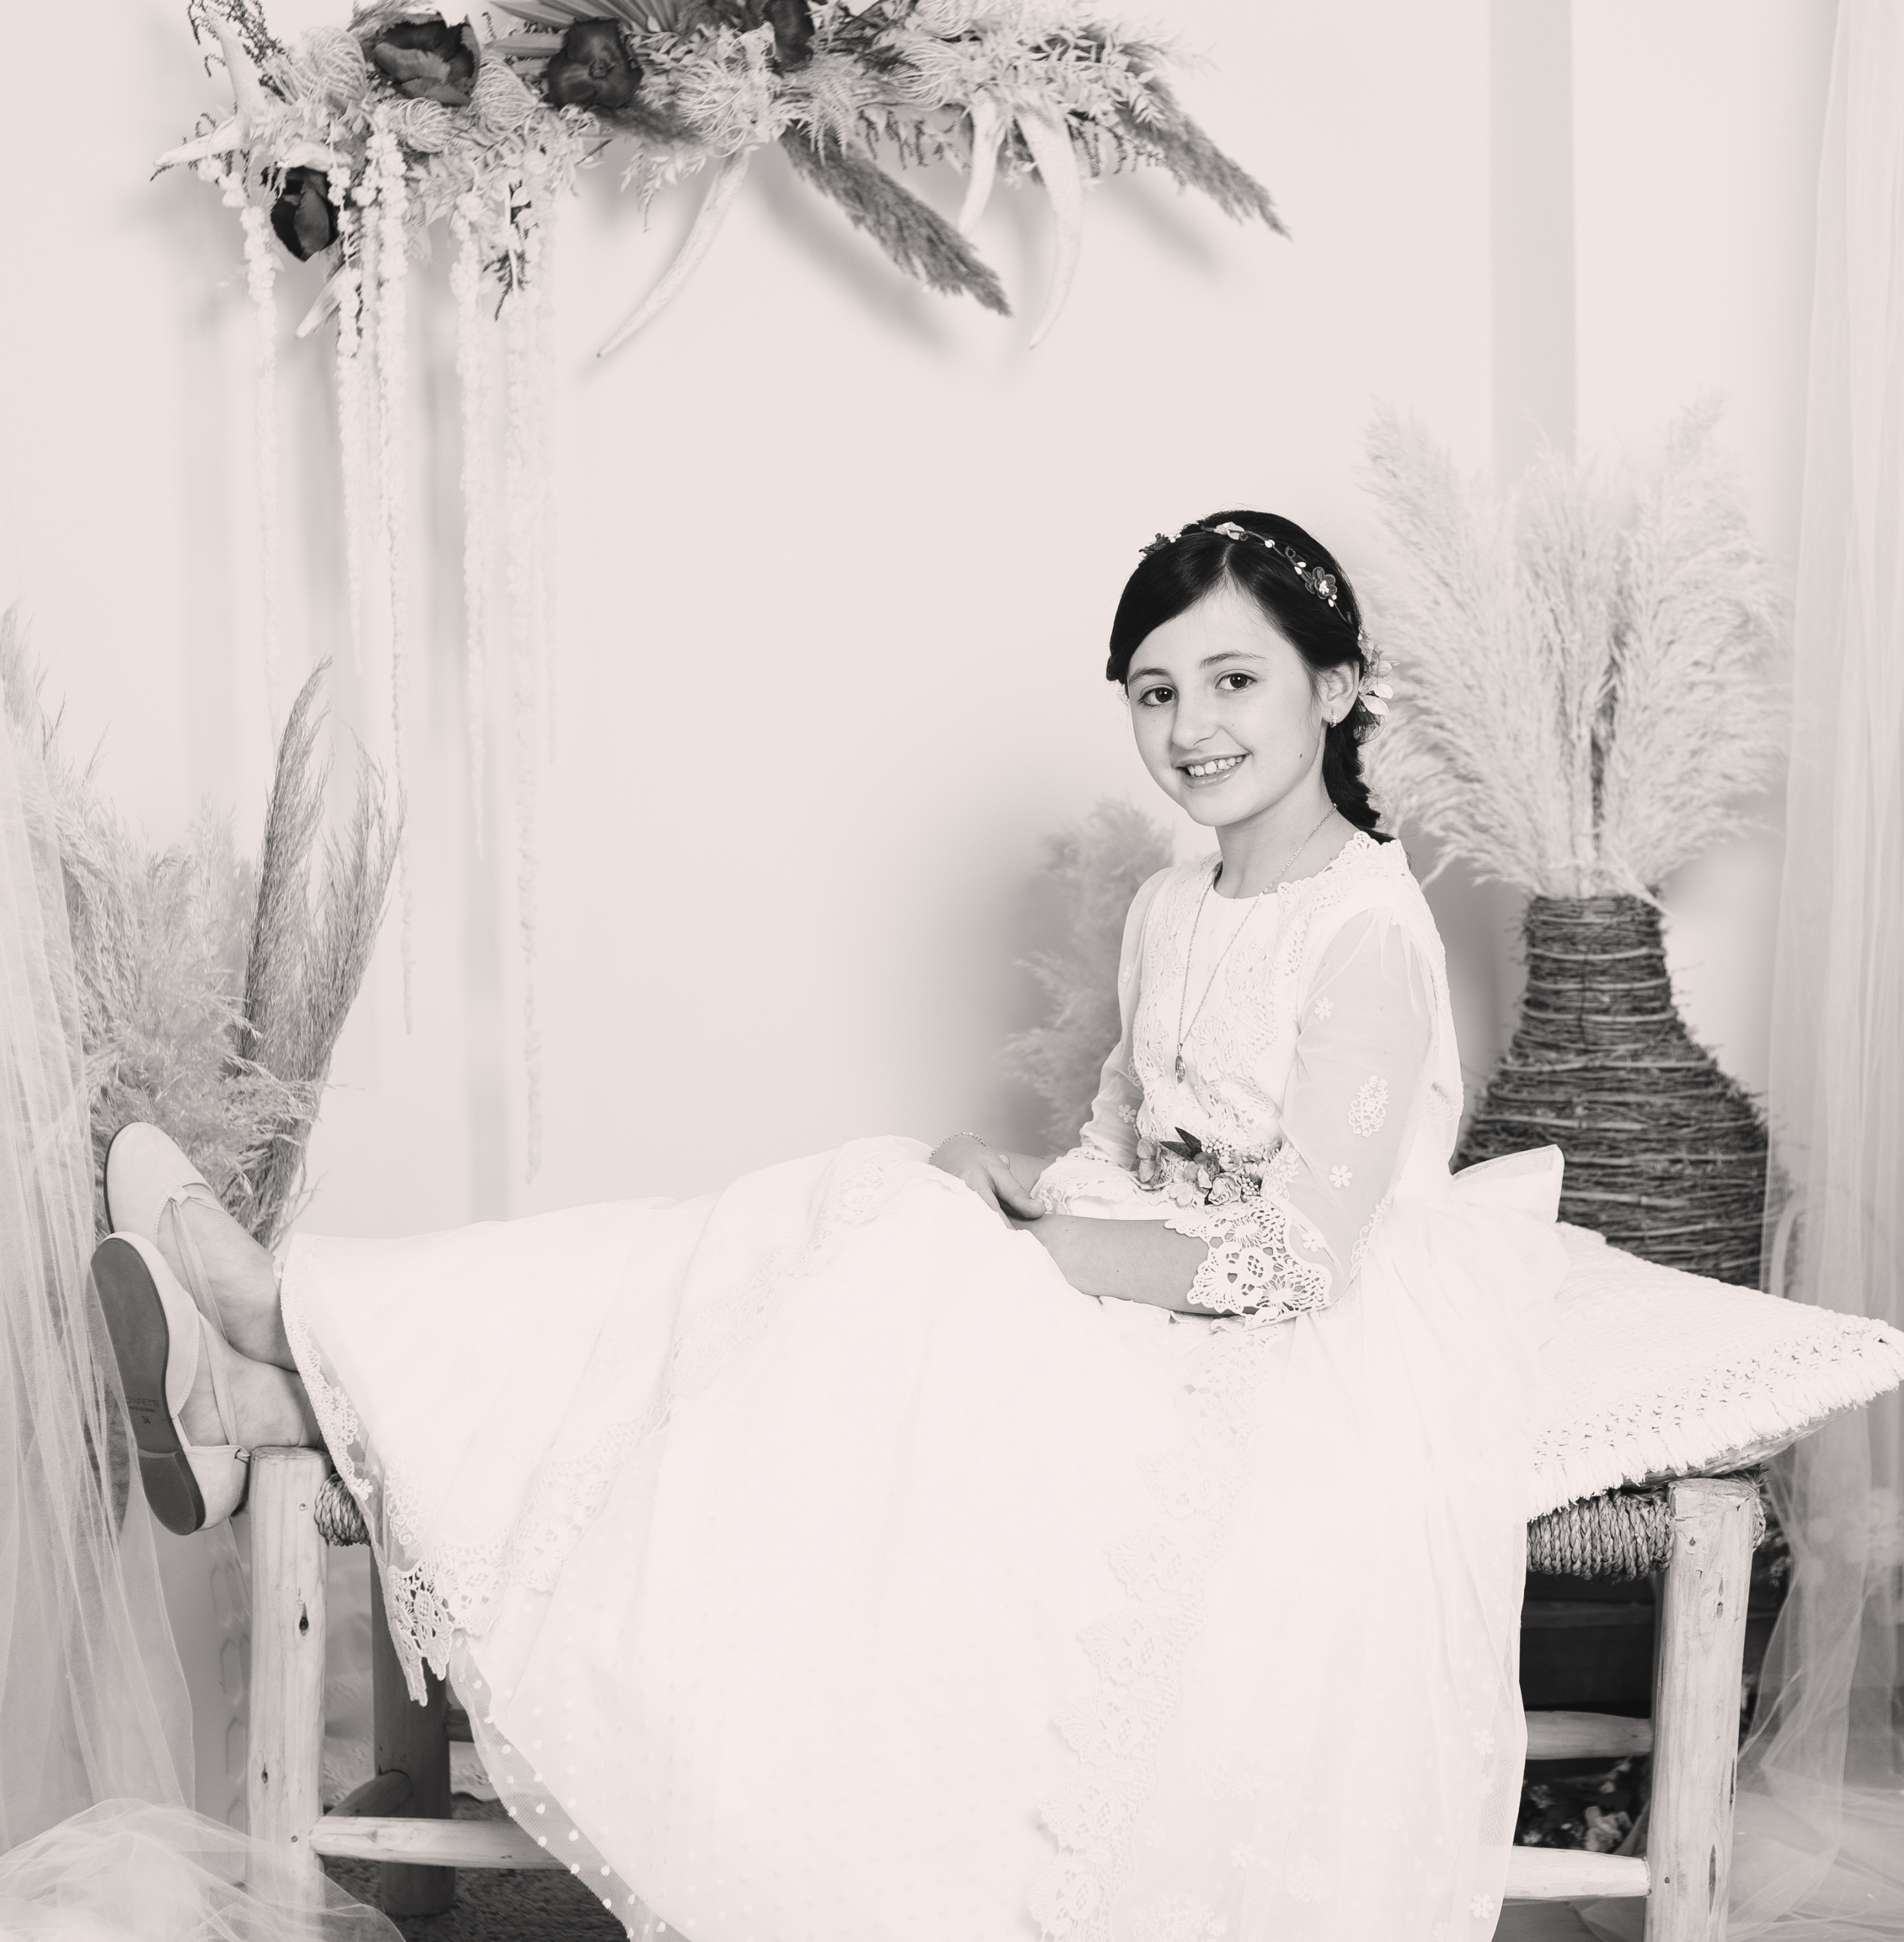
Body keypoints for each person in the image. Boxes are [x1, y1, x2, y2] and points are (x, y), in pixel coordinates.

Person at [91, 513, 1567, 1942]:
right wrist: (1026, 1182)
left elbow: (1302, 1254)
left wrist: (1060, 1256)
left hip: (1269, 1348)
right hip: (1140, 1265)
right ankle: (271, 1365)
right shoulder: (1173, 904)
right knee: (858, 1204)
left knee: (867, 1276)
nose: (1193, 728)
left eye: (1235, 681)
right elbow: (1127, 1137)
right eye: (1155, 692)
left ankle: (279, 1344)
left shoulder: (1364, 929)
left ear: (1337, 687)